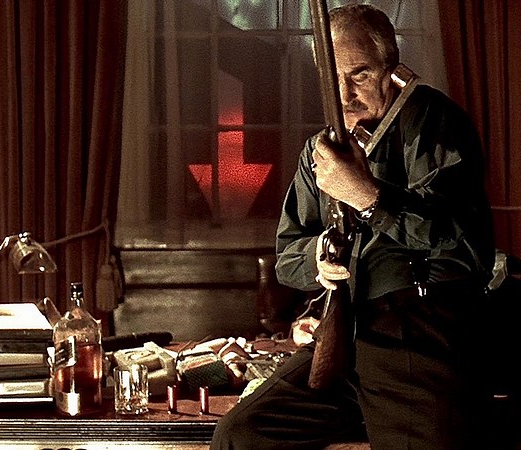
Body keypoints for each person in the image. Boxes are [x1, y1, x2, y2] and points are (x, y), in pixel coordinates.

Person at [211, 4, 495, 449]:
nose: (345, 94)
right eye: (334, 78)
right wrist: (320, 257)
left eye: (360, 75)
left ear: (390, 68)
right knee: (242, 435)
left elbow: (454, 235)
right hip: (345, 337)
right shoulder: (322, 150)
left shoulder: (435, 122)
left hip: (417, 336)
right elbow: (289, 256)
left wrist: (368, 196)